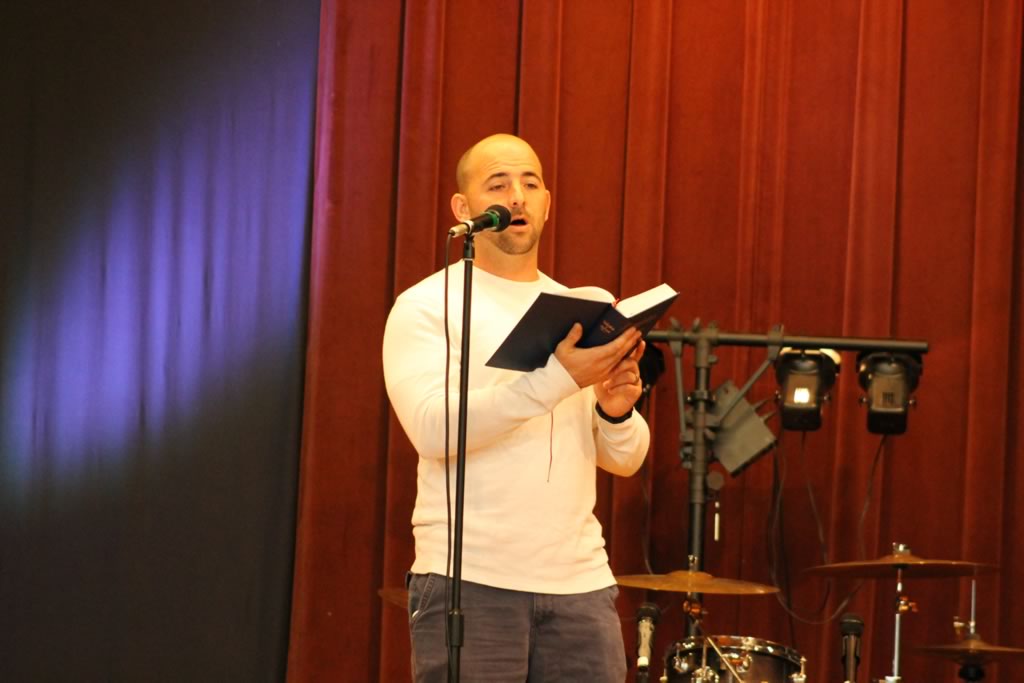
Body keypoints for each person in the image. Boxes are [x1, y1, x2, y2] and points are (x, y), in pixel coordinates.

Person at [382, 133, 650, 682]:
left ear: (547, 202)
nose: (518, 197)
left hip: (580, 587)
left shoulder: (579, 307)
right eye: (498, 184)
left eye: (531, 183)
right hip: (471, 582)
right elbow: (433, 430)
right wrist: (559, 378)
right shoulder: (428, 305)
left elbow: (624, 459)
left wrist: (616, 412)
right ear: (464, 208)